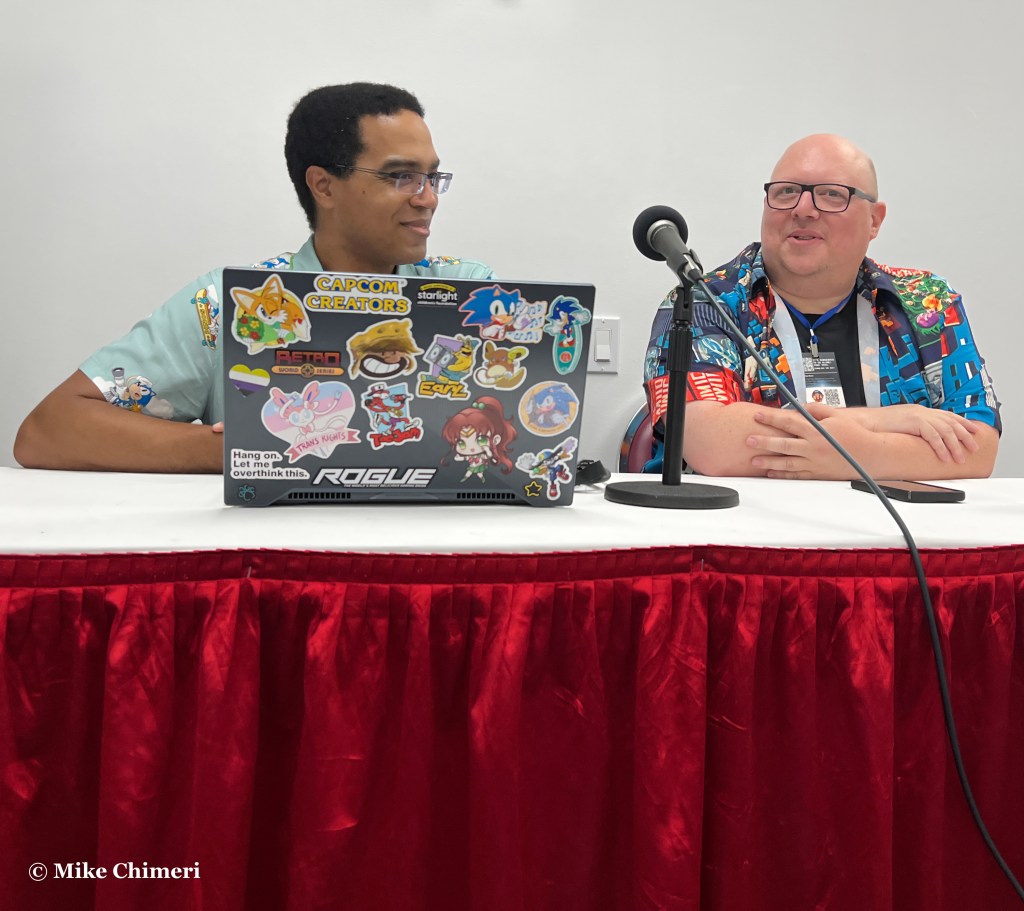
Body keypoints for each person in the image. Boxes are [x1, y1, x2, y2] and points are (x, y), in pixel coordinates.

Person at [14, 82, 494, 472]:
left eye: (432, 177)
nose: (428, 198)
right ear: (324, 185)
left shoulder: (468, 295)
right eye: (401, 176)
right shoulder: (234, 303)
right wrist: (242, 452)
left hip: (432, 546)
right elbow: (47, 431)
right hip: (274, 553)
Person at [643, 134, 1000, 480]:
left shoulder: (927, 302)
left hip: (893, 518)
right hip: (745, 519)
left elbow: (978, 446)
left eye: (831, 195)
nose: (803, 209)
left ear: (874, 220)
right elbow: (713, 443)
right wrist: (883, 425)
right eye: (786, 192)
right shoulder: (706, 302)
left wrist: (857, 455)